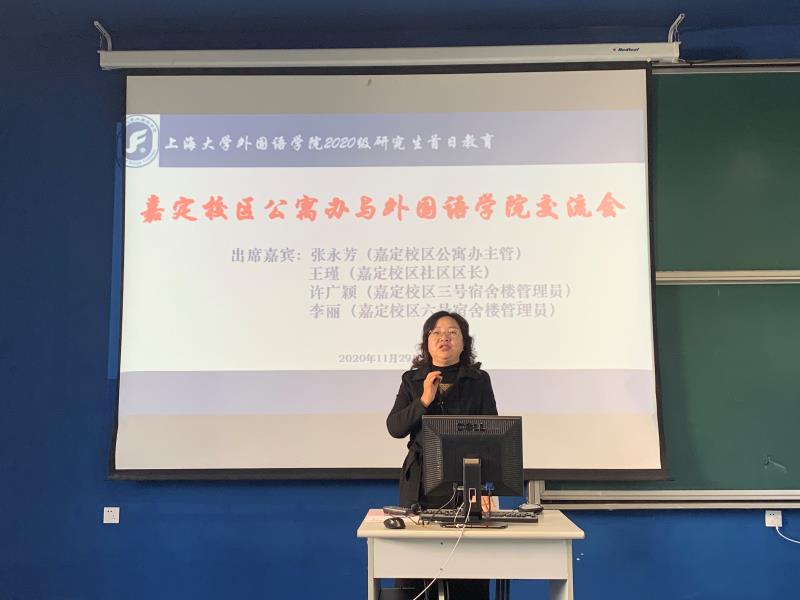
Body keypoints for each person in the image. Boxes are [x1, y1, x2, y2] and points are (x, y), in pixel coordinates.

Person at [386, 311, 497, 600]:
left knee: (468, 572)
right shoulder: (412, 380)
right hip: (421, 484)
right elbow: (395, 428)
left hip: (466, 482)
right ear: (427, 341)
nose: (444, 337)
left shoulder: (478, 380)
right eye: (436, 332)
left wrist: (488, 488)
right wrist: (424, 400)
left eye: (452, 332)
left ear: (464, 342)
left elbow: (493, 436)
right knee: (415, 570)